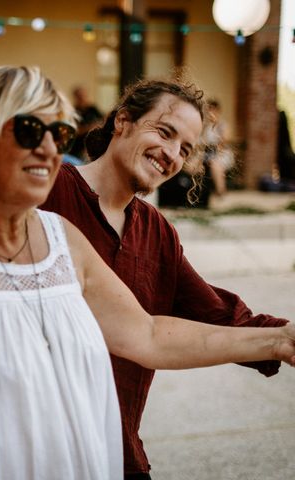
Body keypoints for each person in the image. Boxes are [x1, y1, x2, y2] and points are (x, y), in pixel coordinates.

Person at [0, 66, 295, 480]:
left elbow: (150, 335)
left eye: (59, 134)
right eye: (30, 129)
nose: (49, 148)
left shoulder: (63, 238)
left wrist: (279, 340)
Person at [40, 77, 292, 479]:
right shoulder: (47, 193)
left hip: (114, 449)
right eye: (164, 132)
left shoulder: (157, 233)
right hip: (33, 446)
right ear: (122, 121)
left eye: (186, 148)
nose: (171, 154)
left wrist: (285, 338)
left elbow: (219, 314)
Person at [68, 84, 103, 162]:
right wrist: (90, 127)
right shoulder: (72, 111)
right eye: (80, 96)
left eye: (84, 95)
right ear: (75, 97)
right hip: (77, 148)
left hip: (92, 145)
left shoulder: (93, 109)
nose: (83, 98)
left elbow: (102, 121)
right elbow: (75, 131)